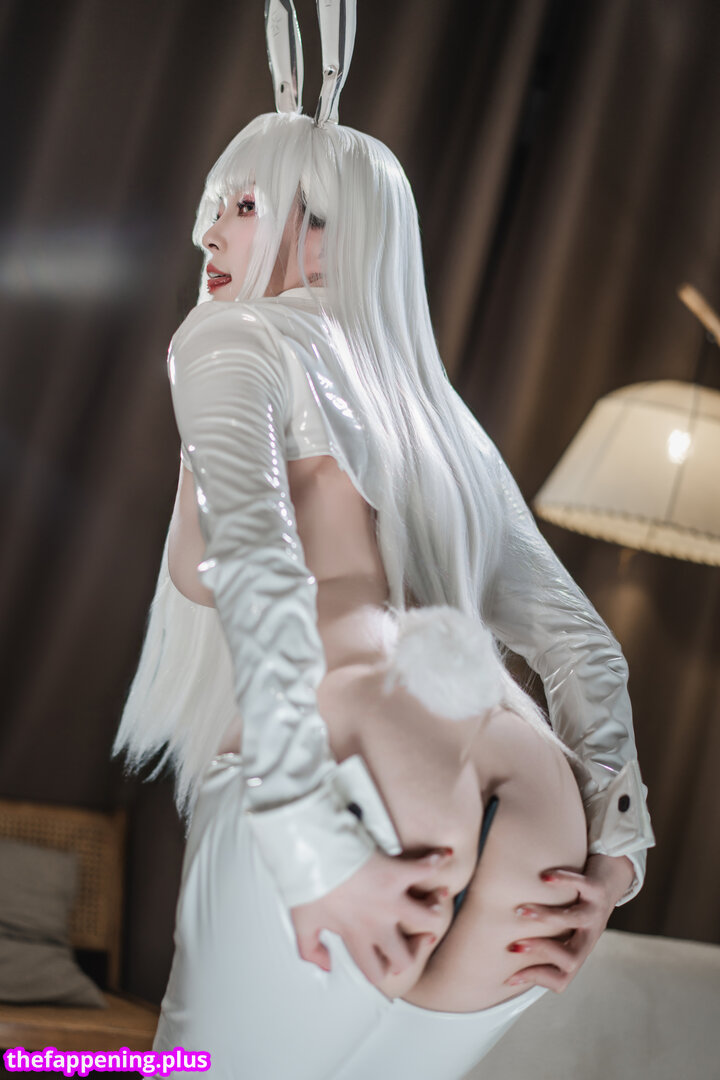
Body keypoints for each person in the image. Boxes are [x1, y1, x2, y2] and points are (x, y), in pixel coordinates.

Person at [111, 1, 655, 1075]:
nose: (209, 236)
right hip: (535, 793)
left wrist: (309, 841)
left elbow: (261, 569)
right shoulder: (436, 415)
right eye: (216, 208)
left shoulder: (230, 340)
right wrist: (618, 853)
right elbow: (583, 645)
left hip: (348, 766)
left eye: (245, 206)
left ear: (330, 230)